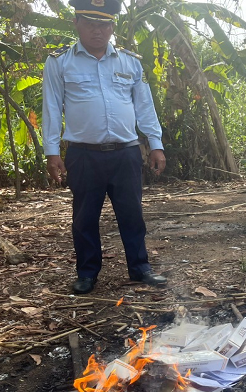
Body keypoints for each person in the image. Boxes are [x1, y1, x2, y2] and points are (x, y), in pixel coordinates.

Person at [42, 0, 167, 294]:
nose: (97, 30)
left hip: (126, 152)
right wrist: (52, 152)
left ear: (113, 26)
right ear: (76, 23)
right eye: (89, 23)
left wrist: (156, 144)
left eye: (103, 24)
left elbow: (145, 107)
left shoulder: (130, 62)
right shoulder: (60, 62)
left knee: (132, 214)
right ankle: (87, 273)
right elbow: (50, 107)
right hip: (84, 154)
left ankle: (140, 268)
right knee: (85, 216)